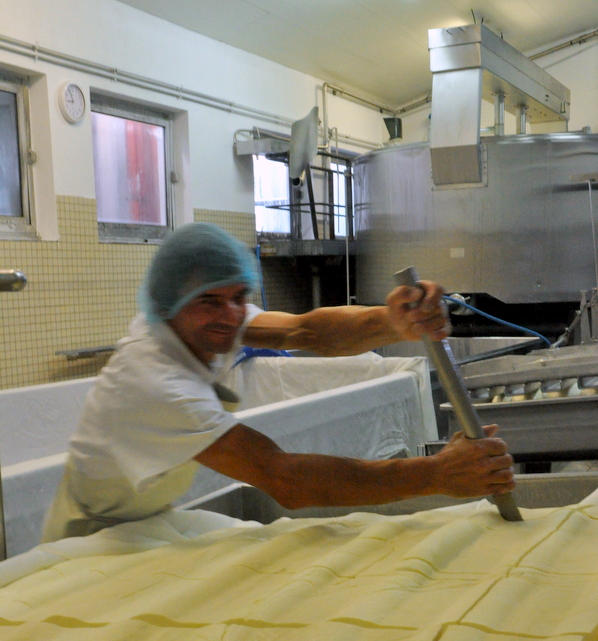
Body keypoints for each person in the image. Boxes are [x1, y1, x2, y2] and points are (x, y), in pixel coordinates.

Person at [41, 223, 515, 543]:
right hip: (94, 541)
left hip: (148, 522)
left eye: (238, 297)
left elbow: (304, 331)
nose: (231, 315)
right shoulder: (156, 382)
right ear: (170, 305)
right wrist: (436, 474)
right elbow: (283, 477)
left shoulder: (197, 321)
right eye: (210, 302)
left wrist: (394, 321)